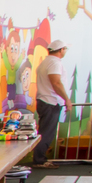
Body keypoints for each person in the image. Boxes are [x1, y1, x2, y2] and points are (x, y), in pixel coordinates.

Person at [33, 40, 70, 168]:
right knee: (47, 132)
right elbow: (56, 83)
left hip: (44, 100)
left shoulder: (45, 62)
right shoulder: (54, 63)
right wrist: (67, 99)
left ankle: (39, 158)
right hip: (50, 101)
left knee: (44, 131)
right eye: (65, 49)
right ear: (61, 50)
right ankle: (39, 160)